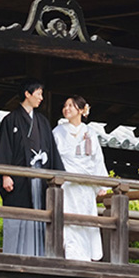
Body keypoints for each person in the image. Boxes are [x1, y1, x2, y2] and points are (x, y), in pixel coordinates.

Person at [0, 80, 64, 256]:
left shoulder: (43, 122)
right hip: (19, 178)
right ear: (27, 94)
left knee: (40, 214)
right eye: (38, 93)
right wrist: (5, 174)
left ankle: (39, 256)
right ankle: (14, 256)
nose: (41, 98)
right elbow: (5, 147)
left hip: (39, 178)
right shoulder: (10, 120)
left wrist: (58, 175)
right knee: (18, 214)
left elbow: (52, 151)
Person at [52, 95, 108, 261]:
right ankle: (69, 254)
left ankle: (85, 256)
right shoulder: (58, 132)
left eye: (71, 105)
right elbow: (55, 158)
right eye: (65, 105)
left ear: (82, 110)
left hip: (85, 183)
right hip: (67, 183)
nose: (66, 109)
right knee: (68, 219)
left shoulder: (90, 132)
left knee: (86, 217)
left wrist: (101, 184)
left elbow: (97, 159)